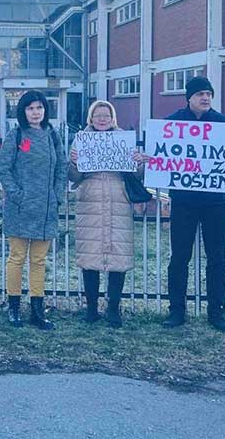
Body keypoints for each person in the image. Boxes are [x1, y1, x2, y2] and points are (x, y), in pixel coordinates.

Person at [162, 76, 225, 331]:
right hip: (183, 201)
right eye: (200, 94)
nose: (205, 98)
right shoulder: (173, 123)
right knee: (179, 257)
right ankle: (176, 311)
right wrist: (152, 156)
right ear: (189, 97)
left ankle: (217, 312)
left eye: (209, 94)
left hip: (216, 202)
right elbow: (163, 154)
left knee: (216, 258)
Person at [67, 100, 146, 328]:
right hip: (90, 202)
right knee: (90, 257)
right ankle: (91, 308)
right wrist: (74, 162)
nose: (102, 119)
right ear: (90, 119)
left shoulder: (123, 140)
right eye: (97, 115)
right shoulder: (81, 140)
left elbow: (137, 175)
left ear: (113, 119)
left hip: (118, 202)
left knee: (117, 258)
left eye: (106, 115)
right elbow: (73, 177)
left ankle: (113, 309)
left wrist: (138, 163)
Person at [0, 90, 64, 330]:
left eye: (40, 108)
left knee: (38, 260)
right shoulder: (15, 136)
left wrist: (57, 196)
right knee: (17, 258)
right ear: (23, 111)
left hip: (46, 210)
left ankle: (37, 310)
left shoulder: (52, 135)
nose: (36, 112)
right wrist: (18, 195)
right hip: (20, 208)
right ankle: (13, 307)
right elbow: (3, 169)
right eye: (30, 108)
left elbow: (62, 168)